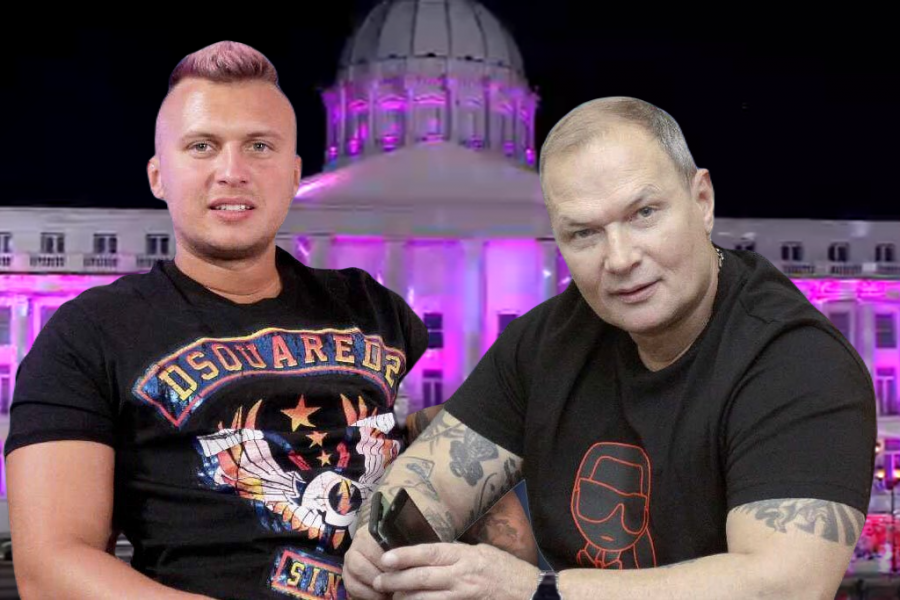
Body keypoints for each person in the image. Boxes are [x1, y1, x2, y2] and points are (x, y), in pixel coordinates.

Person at [4, 41, 534, 600]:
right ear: (158, 175)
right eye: (202, 146)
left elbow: (439, 441)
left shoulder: (372, 306)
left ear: (295, 173)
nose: (232, 172)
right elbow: (50, 568)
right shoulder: (89, 333)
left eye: (259, 146)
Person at [343, 96, 877, 599]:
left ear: (702, 201)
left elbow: (784, 585)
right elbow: (428, 480)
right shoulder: (543, 342)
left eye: (644, 213)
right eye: (584, 233)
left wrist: (535, 591)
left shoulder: (798, 361)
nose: (620, 259)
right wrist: (379, 541)